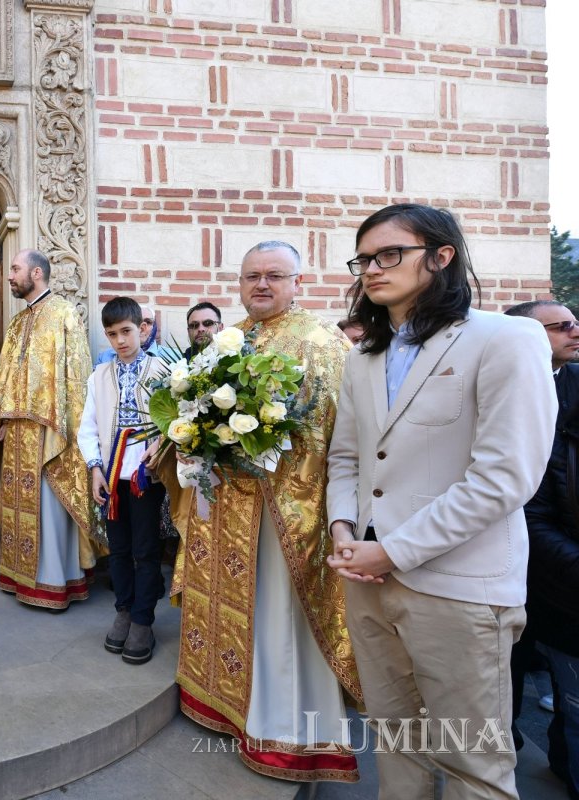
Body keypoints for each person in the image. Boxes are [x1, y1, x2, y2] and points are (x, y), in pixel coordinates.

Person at [326, 204, 556, 799]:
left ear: (441, 255)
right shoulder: (363, 356)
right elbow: (347, 458)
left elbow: (505, 478)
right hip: (369, 582)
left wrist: (393, 551)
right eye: (364, 259)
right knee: (395, 745)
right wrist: (343, 529)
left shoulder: (506, 337)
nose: (372, 269)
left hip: (459, 587)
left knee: (472, 765)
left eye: (389, 254)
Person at [164, 241, 360, 781]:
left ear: (298, 281)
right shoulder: (231, 340)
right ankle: (221, 703)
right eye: (252, 276)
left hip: (284, 511)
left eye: (275, 275)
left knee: (278, 613)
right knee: (228, 604)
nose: (262, 285)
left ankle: (286, 731)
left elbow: (345, 433)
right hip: (222, 504)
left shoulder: (321, 342)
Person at [0, 249, 97, 609]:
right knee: (19, 505)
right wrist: (0, 420)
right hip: (16, 432)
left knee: (48, 506)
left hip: (49, 430)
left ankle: (51, 579)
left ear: (36, 272)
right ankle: (18, 575)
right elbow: (5, 378)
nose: (10, 276)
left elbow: (76, 376)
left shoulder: (63, 312)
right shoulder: (17, 323)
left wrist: (68, 426)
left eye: (15, 269)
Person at [506, 299, 579, 795]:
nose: (575, 331)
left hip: (557, 562)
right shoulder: (502, 387)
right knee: (506, 667)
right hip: (508, 553)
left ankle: (561, 757)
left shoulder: (574, 382)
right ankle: (502, 744)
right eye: (561, 326)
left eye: (576, 322)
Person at [78, 297, 167, 663]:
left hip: (145, 475)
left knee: (145, 550)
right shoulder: (99, 377)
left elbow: (174, 422)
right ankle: (124, 611)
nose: (120, 341)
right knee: (118, 549)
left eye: (127, 331)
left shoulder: (163, 372)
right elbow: (88, 427)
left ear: (142, 329)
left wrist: (159, 447)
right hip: (112, 476)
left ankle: (144, 620)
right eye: (112, 334)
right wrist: (95, 468)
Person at [95, 304, 159, 365]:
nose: (140, 328)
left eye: (148, 322)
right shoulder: (104, 357)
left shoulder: (167, 356)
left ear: (154, 326)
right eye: (137, 322)